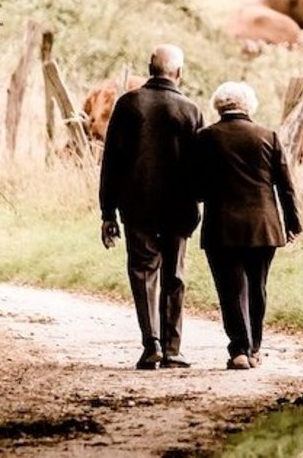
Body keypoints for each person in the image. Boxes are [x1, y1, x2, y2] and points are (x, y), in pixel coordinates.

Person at [99, 44, 204, 370]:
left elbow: (111, 163)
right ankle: (173, 349)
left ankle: (152, 345)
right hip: (178, 207)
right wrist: (198, 202)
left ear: (149, 68)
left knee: (143, 272)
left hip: (137, 205)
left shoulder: (129, 104)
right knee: (174, 274)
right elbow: (199, 166)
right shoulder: (190, 110)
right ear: (179, 73)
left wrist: (108, 212)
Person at [195, 81, 301, 370]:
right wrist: (292, 223)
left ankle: (239, 350)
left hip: (222, 227)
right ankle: (254, 349)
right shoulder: (269, 136)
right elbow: (285, 187)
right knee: (258, 287)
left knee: (230, 289)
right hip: (264, 226)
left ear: (219, 106)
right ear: (249, 106)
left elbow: (196, 186)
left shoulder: (205, 138)